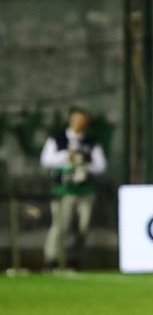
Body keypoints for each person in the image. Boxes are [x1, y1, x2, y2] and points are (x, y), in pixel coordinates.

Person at [40, 107, 107, 269]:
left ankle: (74, 259)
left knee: (83, 227)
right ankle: (52, 259)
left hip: (85, 190)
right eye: (77, 119)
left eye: (82, 120)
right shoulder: (57, 139)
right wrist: (65, 156)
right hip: (63, 190)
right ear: (70, 120)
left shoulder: (90, 142)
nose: (79, 123)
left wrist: (83, 164)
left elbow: (101, 166)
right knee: (61, 225)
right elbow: (46, 160)